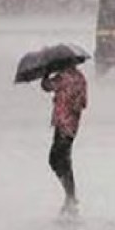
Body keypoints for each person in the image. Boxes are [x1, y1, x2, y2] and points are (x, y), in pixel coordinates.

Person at [41, 65, 87, 215]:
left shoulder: (62, 78)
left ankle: (70, 195)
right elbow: (84, 102)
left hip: (62, 124)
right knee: (64, 158)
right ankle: (70, 195)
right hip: (72, 125)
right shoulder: (80, 78)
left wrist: (46, 73)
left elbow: (46, 86)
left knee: (55, 158)